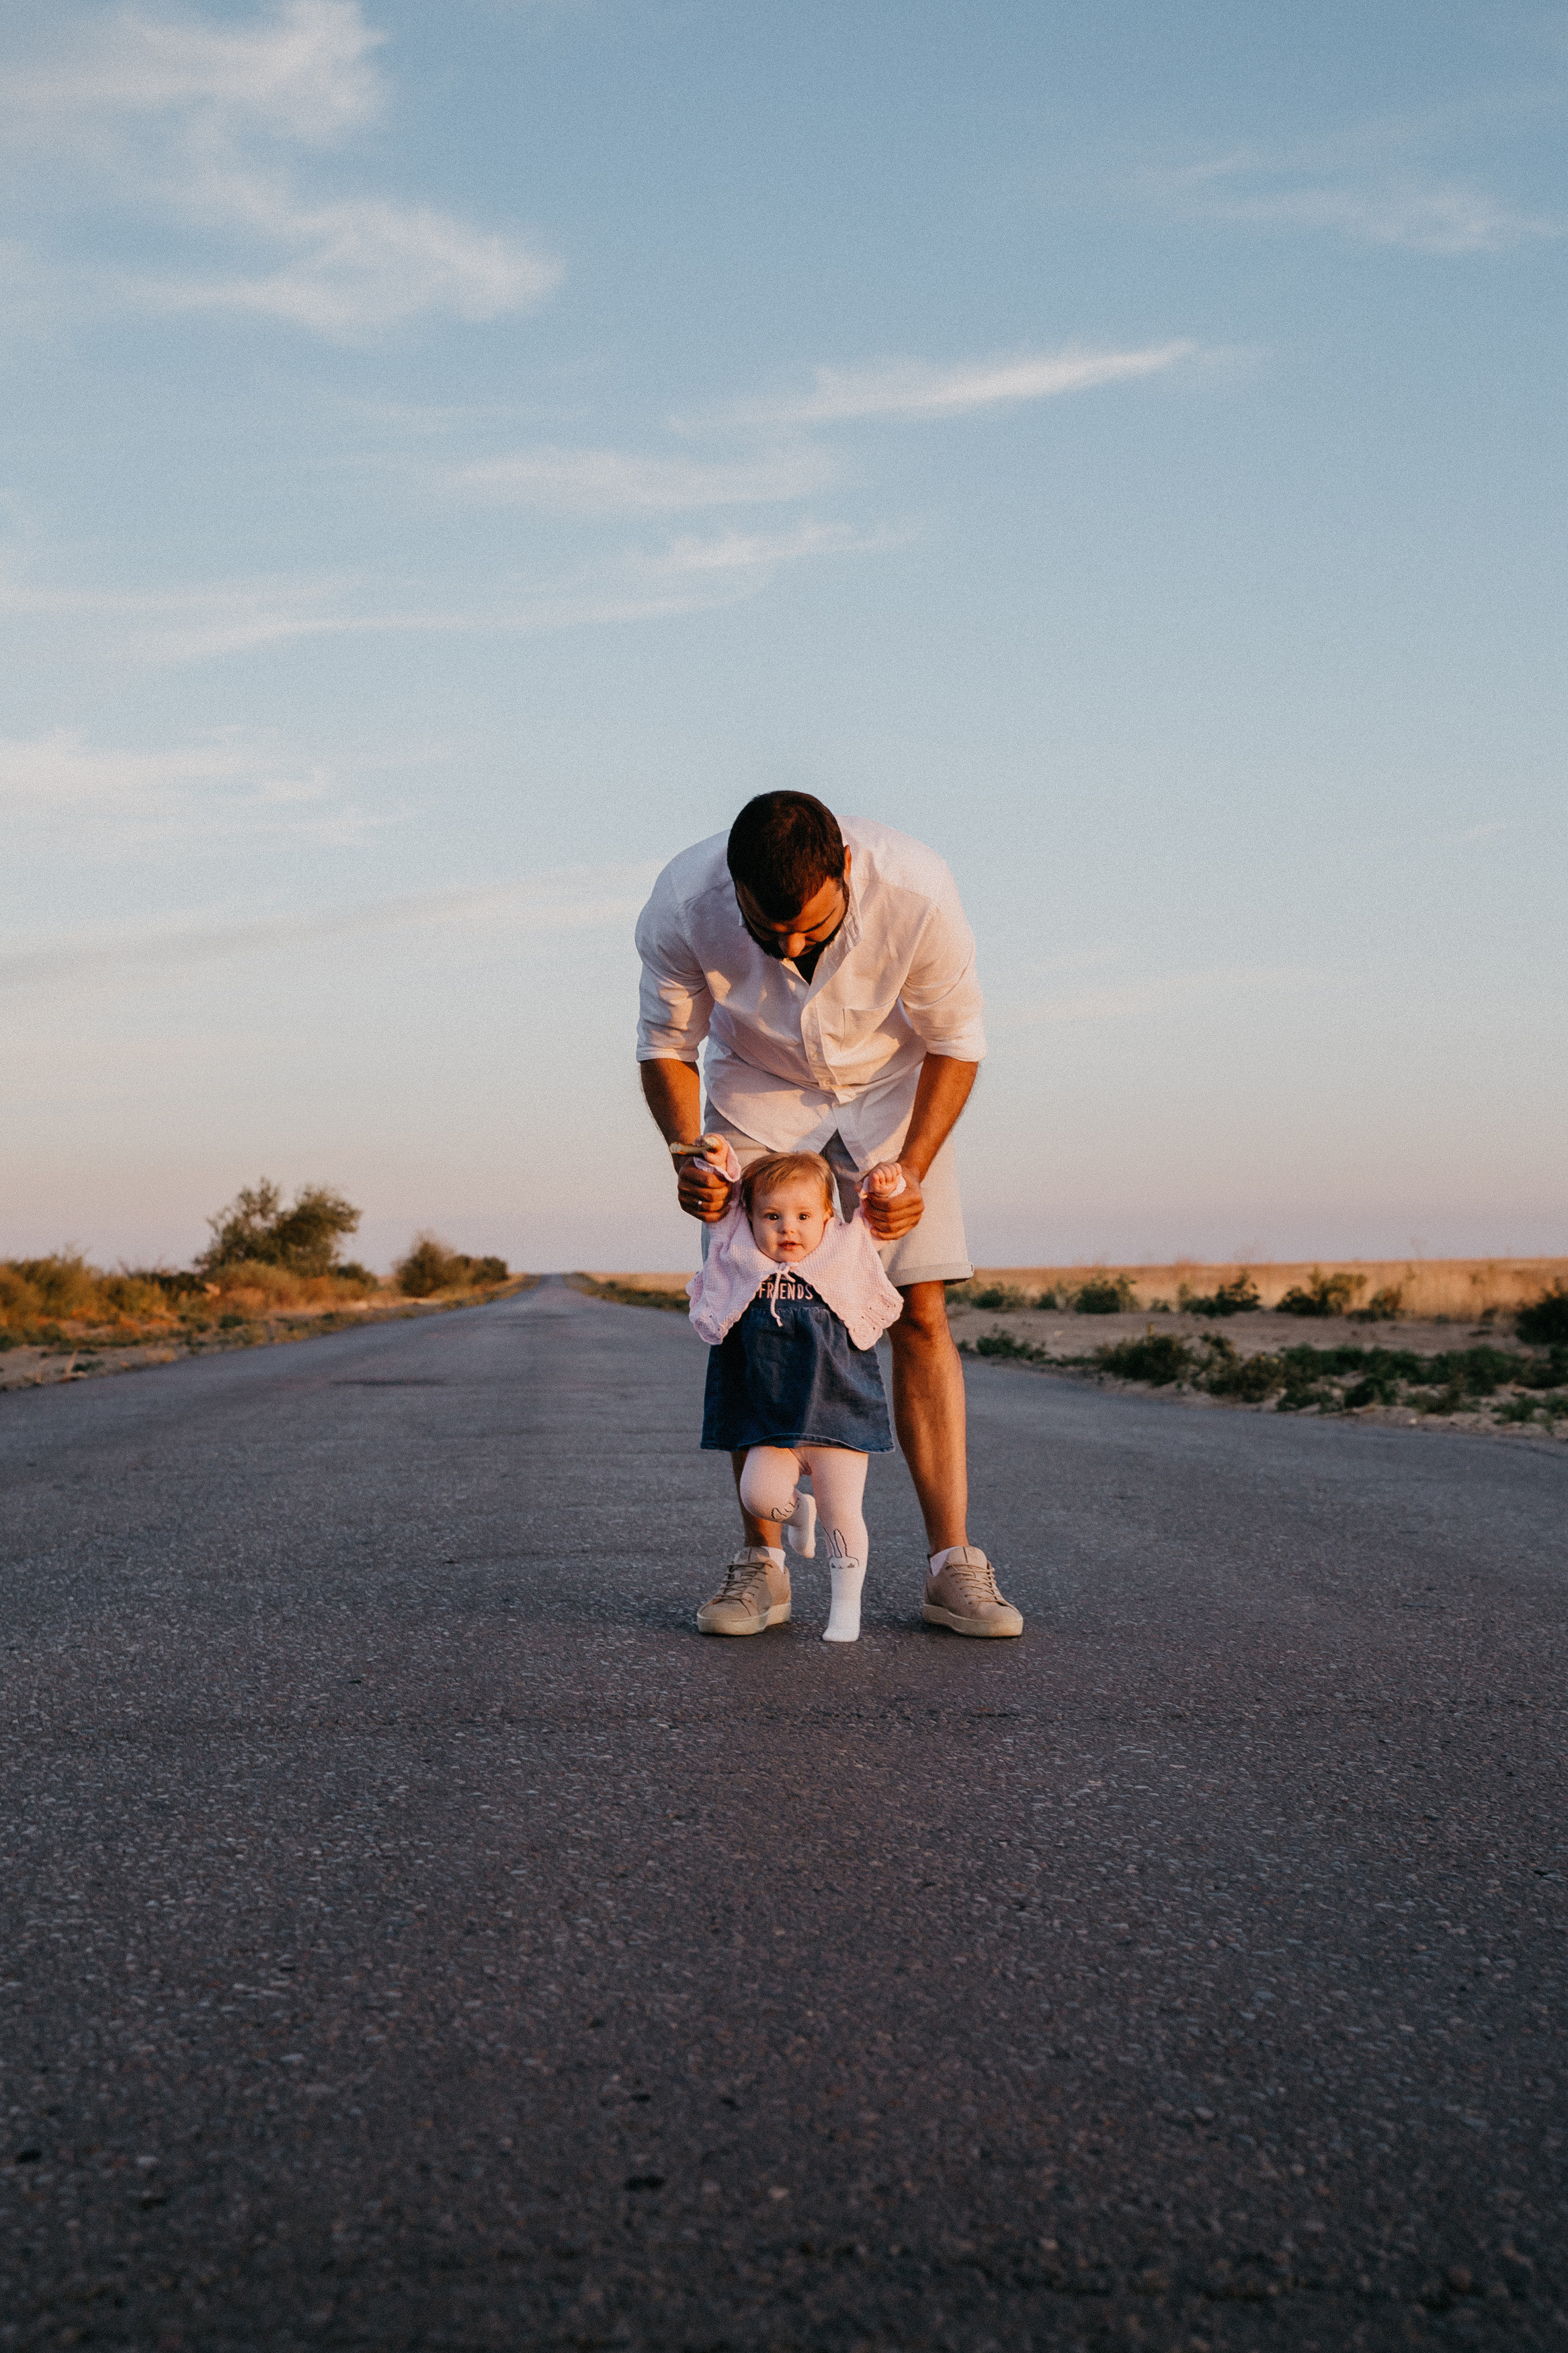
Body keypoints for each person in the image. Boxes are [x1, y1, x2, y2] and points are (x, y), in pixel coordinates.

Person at [636, 791, 1023, 1638]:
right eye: (766, 932)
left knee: (919, 1311)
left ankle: (950, 1566)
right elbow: (665, 1045)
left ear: (844, 867)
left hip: (893, 1099)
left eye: (809, 930)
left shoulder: (917, 888)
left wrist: (911, 1170)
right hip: (757, 1099)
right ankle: (761, 1567)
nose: (789, 947)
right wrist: (685, 1151)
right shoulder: (678, 902)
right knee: (750, 1315)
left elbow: (957, 1040)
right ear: (730, 886)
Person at [688, 1143, 905, 1642]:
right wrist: (716, 1163)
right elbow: (720, 1204)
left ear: (828, 1217)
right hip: (772, 1418)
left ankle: (844, 1612)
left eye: (804, 1215)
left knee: (842, 1513)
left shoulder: (845, 1250)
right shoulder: (737, 1254)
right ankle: (798, 1509)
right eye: (772, 1216)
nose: (789, 1228)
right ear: (750, 1219)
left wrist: (886, 1183)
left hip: (838, 1413)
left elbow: (875, 1214)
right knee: (760, 1497)